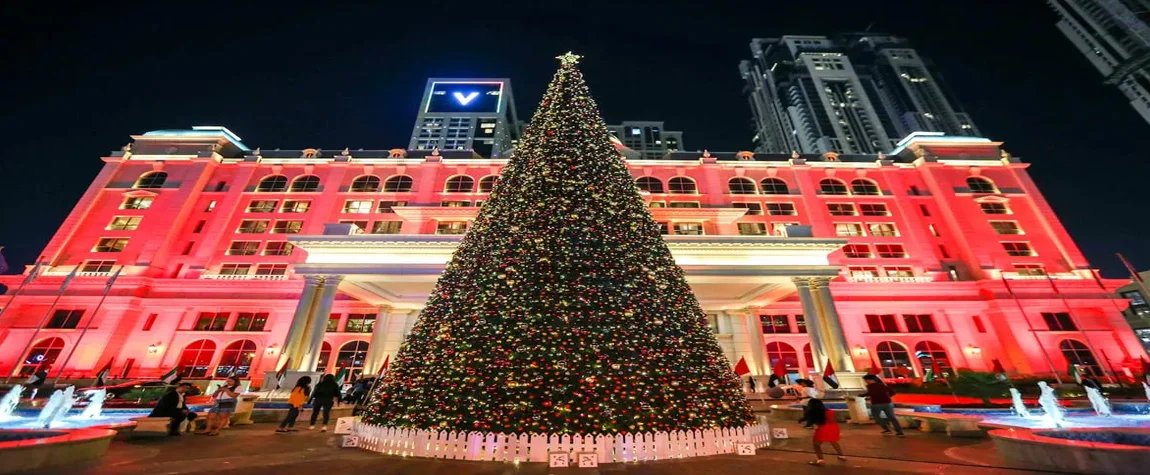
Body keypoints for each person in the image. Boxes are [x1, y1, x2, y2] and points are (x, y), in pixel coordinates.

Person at [806, 399, 846, 466]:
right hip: (834, 427)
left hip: (823, 428)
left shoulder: (813, 413)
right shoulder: (829, 411)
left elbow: (815, 423)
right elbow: (832, 419)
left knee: (816, 445)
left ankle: (820, 460)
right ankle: (841, 455)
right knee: (833, 441)